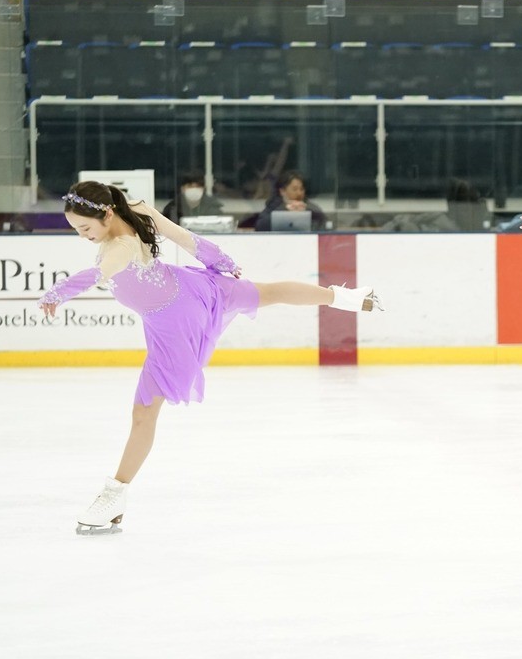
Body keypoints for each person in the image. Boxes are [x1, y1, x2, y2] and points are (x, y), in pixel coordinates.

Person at [38, 180, 383, 535]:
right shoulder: (136, 210)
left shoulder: (119, 247)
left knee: (144, 414)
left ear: (106, 214)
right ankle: (347, 299)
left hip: (173, 322)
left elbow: (98, 273)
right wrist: (219, 261)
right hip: (192, 289)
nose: (83, 236)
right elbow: (183, 237)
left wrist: (57, 293)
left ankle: (115, 496)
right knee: (268, 292)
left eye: (84, 228)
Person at [255, 170, 328, 231]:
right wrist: (285, 210)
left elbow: (324, 225)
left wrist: (307, 212)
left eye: (301, 189)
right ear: (282, 191)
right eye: (295, 189)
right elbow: (259, 226)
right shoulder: (273, 206)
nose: (299, 193)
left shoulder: (311, 207)